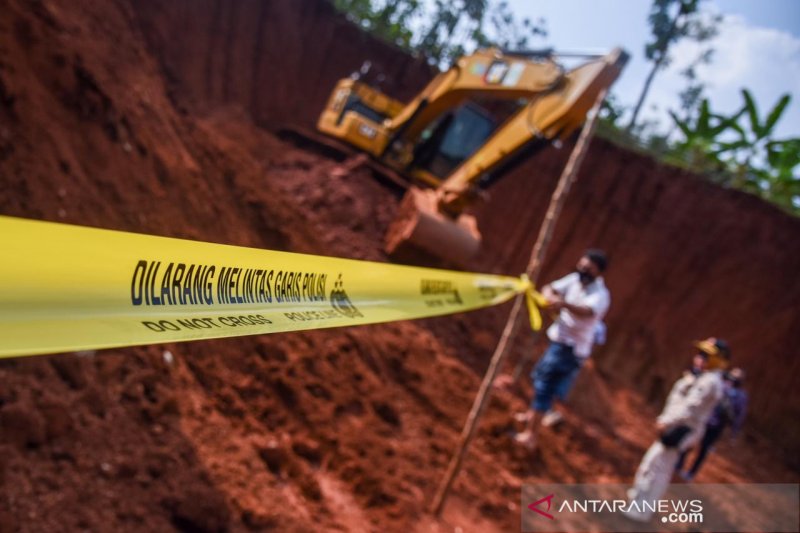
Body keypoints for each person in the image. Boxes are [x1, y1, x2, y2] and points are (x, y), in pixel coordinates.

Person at [624, 338, 731, 522]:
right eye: (701, 353)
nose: (699, 357)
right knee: (653, 464)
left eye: (705, 355)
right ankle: (638, 499)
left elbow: (690, 407)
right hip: (679, 427)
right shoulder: (703, 378)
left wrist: (666, 421)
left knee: (659, 467)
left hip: (682, 429)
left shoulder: (709, 382)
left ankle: (642, 509)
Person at [514, 249, 611, 449]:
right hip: (558, 342)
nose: (583, 270)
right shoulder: (575, 279)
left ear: (598, 272)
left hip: (570, 349)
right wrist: (549, 296)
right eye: (582, 265)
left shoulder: (601, 295)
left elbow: (587, 311)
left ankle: (530, 435)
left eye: (589, 268)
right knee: (540, 378)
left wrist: (562, 304)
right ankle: (532, 416)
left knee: (545, 386)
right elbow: (551, 287)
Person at [675, 367, 748, 481]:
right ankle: (679, 466)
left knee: (703, 449)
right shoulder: (721, 386)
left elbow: (739, 416)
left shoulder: (738, 394)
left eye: (737, 377)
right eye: (733, 375)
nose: (734, 378)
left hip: (715, 426)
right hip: (706, 420)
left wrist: (734, 433)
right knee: (690, 442)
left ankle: (690, 472)